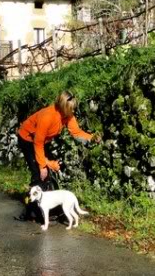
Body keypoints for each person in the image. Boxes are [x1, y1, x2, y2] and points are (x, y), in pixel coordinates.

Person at [15, 91, 102, 222]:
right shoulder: (47, 116)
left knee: (49, 174)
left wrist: (92, 138)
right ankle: (28, 212)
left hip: (41, 141)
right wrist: (43, 165)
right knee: (39, 174)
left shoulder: (68, 115)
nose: (73, 111)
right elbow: (37, 143)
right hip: (27, 140)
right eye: (71, 108)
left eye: (74, 107)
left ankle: (49, 209)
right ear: (63, 106)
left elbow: (76, 131)